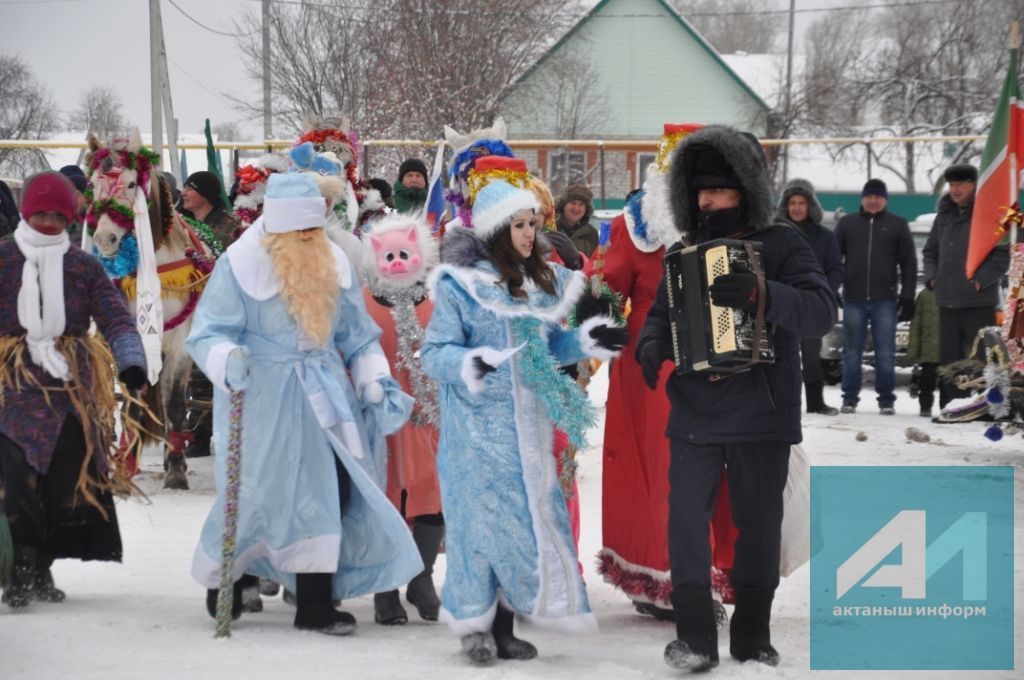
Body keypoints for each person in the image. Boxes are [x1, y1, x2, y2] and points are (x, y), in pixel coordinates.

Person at [186, 173, 422, 635]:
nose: (309, 241)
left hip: (324, 394)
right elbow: (208, 331)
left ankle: (315, 603)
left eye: (314, 232)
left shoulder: (333, 262)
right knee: (256, 492)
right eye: (300, 233)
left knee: (327, 492)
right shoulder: (239, 264)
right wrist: (226, 357)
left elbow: (357, 335)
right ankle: (226, 583)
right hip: (263, 397)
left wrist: (374, 377)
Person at [636, 126, 837, 671]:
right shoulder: (684, 249)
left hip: (763, 410)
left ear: (746, 189)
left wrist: (763, 294)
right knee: (684, 524)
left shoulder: (781, 242)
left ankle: (752, 634)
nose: (707, 200)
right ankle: (695, 637)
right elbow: (661, 310)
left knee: (757, 528)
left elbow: (822, 310)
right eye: (700, 190)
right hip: (695, 410)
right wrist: (652, 341)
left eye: (720, 189)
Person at [421, 179, 628, 664]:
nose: (530, 233)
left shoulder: (541, 285)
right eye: (519, 225)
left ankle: (506, 625)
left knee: (521, 527)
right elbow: (434, 353)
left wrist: (586, 341)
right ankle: (473, 626)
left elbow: (548, 349)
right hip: (475, 432)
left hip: (528, 433)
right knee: (476, 529)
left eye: (533, 224)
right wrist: (470, 363)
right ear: (497, 230)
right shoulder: (461, 286)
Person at [596, 124, 736, 623]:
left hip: (719, 360)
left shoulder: (733, 225)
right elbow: (608, 295)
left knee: (716, 473)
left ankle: (705, 575)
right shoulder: (633, 227)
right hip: (652, 366)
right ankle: (663, 578)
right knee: (663, 472)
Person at [1, 171, 147, 609]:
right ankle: (22, 567)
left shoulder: (83, 265)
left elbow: (115, 316)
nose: (48, 223)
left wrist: (131, 361)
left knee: (62, 483)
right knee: (13, 476)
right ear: (26, 213)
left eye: (58, 216)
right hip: (13, 384)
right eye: (41, 214)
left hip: (69, 386)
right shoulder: (4, 258)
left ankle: (40, 564)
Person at [359, 211, 444, 626]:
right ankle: (385, 588)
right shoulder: (360, 302)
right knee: (387, 500)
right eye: (388, 255)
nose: (395, 262)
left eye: (403, 253)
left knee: (432, 495)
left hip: (428, 419)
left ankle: (421, 578)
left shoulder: (435, 301)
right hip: (380, 422)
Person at [923, 164, 1011, 408]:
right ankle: (950, 405)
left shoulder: (990, 214)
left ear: (974, 185)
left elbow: (1002, 255)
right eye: (951, 185)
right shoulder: (944, 216)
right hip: (946, 300)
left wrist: (980, 280)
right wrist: (932, 278)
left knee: (979, 357)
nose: (955, 189)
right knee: (948, 358)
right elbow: (930, 251)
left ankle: (978, 406)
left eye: (960, 184)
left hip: (978, 300)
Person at [834, 179, 916, 414]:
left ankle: (886, 400)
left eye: (878, 197)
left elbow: (909, 264)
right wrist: (833, 289)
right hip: (853, 299)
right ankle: (849, 398)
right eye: (869, 196)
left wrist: (907, 297)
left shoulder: (898, 225)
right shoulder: (847, 224)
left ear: (885, 199)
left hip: (885, 301)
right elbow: (833, 260)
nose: (873, 200)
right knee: (851, 352)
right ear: (862, 198)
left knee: (885, 352)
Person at [778, 178, 844, 415]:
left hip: (811, 306)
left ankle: (816, 403)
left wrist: (825, 291)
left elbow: (836, 268)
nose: (796, 207)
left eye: (801, 203)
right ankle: (782, 403)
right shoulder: (777, 233)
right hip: (782, 305)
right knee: (782, 356)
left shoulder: (825, 237)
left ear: (810, 206)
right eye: (792, 202)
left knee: (811, 356)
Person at [180, 170, 240, 249]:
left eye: (189, 189)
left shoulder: (229, 227)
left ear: (206, 194)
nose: (183, 193)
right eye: (184, 188)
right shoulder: (183, 224)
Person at [906, 285, 940, 416]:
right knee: (926, 381)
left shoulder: (954, 291)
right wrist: (914, 351)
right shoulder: (924, 295)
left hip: (947, 350)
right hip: (928, 349)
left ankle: (947, 408)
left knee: (947, 383)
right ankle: (925, 408)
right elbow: (916, 326)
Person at [556, 182, 599, 258]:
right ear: (564, 205)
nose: (576, 208)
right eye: (573, 203)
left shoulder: (591, 234)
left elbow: (595, 261)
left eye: (581, 204)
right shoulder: (551, 227)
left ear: (586, 209)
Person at [57, 165, 89, 246]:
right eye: (69, 194)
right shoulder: (53, 223)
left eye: (78, 194)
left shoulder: (91, 222)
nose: (73, 199)